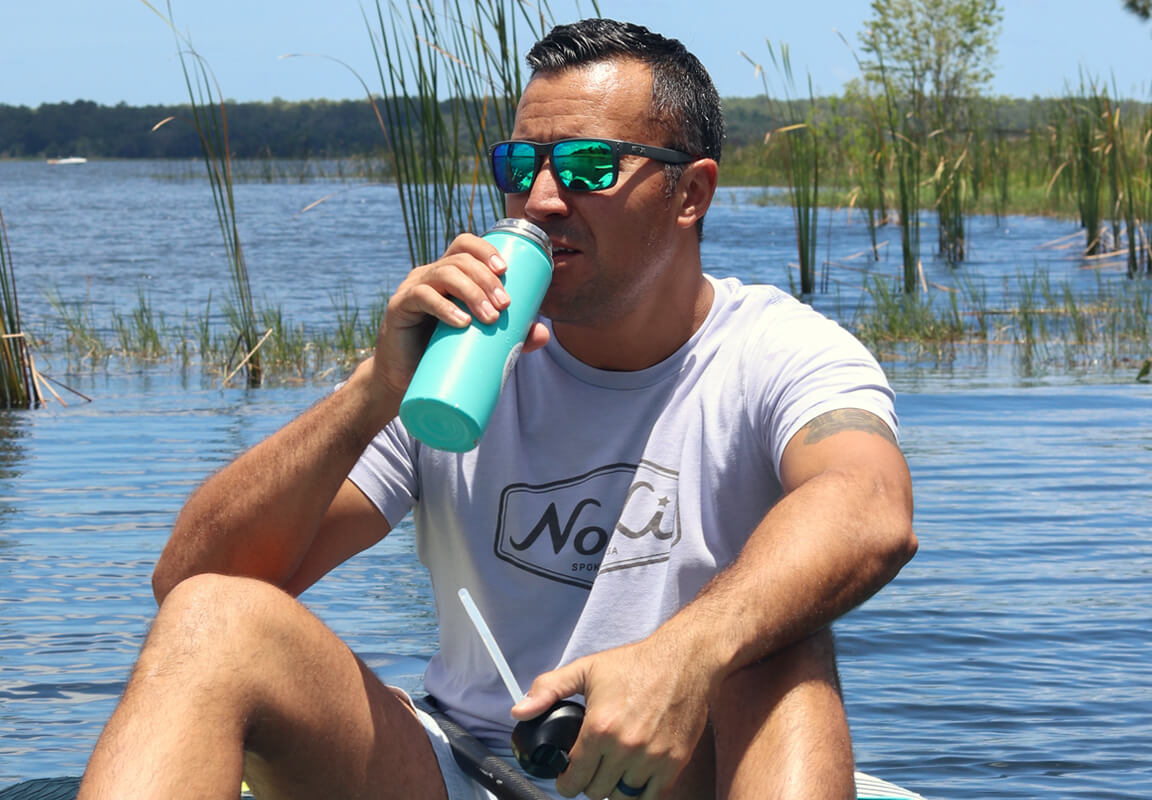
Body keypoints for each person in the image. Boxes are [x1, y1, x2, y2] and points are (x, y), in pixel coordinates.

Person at [77, 17, 916, 800]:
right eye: (521, 167)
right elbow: (194, 580)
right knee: (215, 618)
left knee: (782, 650)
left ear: (689, 194)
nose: (544, 199)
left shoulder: (779, 352)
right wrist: (376, 389)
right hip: (463, 768)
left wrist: (684, 653)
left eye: (589, 167)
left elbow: (870, 509)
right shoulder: (460, 359)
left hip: (673, 775)